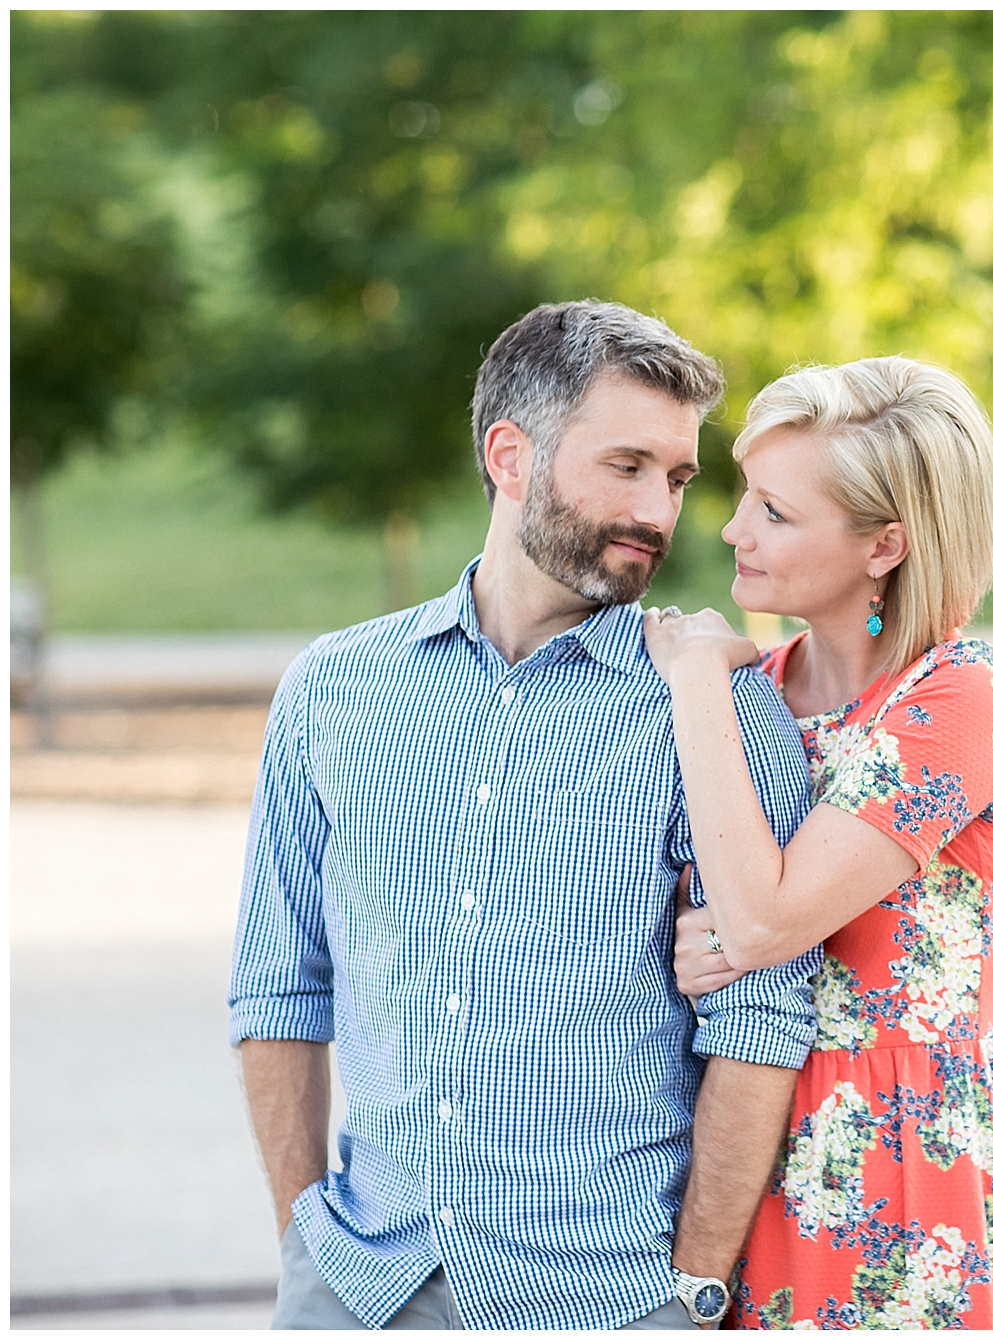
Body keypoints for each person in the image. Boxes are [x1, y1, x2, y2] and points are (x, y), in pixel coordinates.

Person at [229, 300, 820, 1330]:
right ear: (510, 455)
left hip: (608, 1298)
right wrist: (301, 1244)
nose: (659, 510)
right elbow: (281, 986)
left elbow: (761, 1022)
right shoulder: (332, 689)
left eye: (677, 478)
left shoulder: (714, 709)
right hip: (359, 1288)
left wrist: (692, 1289)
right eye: (626, 464)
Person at [640, 356, 993, 1329]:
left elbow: (765, 916)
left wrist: (696, 677)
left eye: (775, 512)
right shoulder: (760, 683)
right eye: (746, 497)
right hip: (746, 1138)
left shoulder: (959, 698)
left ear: (884, 544)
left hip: (900, 1155)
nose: (734, 529)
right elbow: (714, 925)